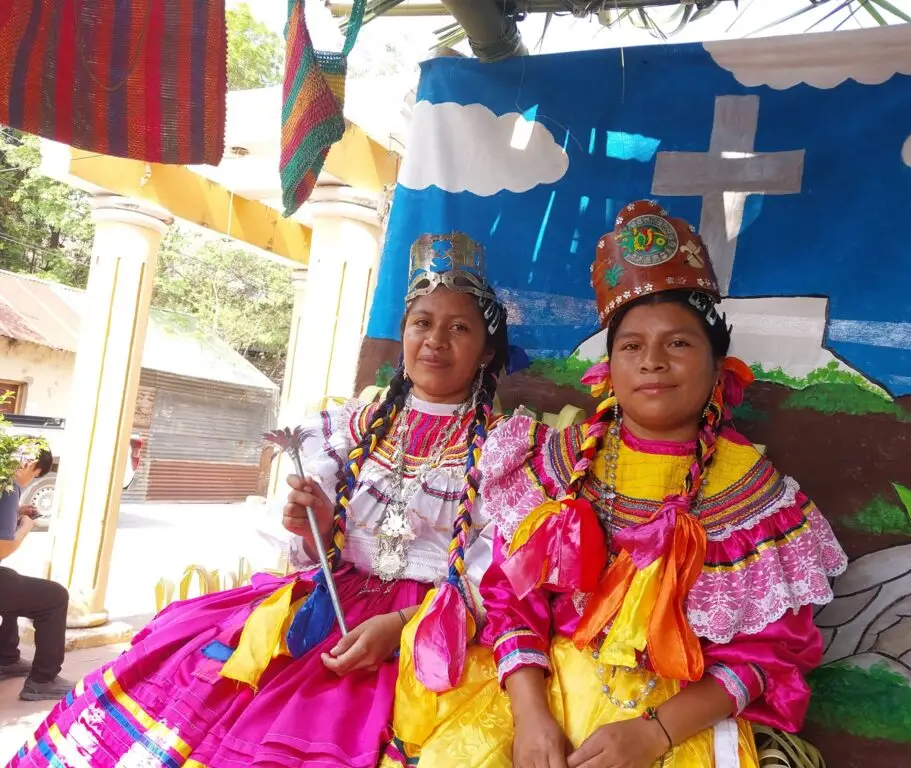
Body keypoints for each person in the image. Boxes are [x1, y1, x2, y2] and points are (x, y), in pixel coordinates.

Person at [12, 232, 513, 768]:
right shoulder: (349, 428)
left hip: (430, 626)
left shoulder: (510, 448)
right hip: (327, 603)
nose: (435, 339)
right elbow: (317, 548)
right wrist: (317, 526)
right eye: (422, 322)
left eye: (459, 327)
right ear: (404, 333)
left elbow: (500, 579)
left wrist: (406, 627)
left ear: (486, 350)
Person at [385, 201, 848, 768]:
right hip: (537, 703)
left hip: (676, 726)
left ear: (717, 364)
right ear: (609, 368)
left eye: (678, 343)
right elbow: (514, 602)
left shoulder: (758, 497)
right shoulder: (556, 465)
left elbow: (769, 655)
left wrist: (654, 735)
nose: (652, 362)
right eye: (632, 346)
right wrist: (531, 719)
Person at [0, 448, 73, 702]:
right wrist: (26, 527)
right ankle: (43, 680)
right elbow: (2, 548)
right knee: (55, 596)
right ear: (30, 466)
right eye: (35, 475)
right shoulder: (8, 487)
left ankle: (6, 658)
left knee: (11, 580)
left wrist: (17, 511)